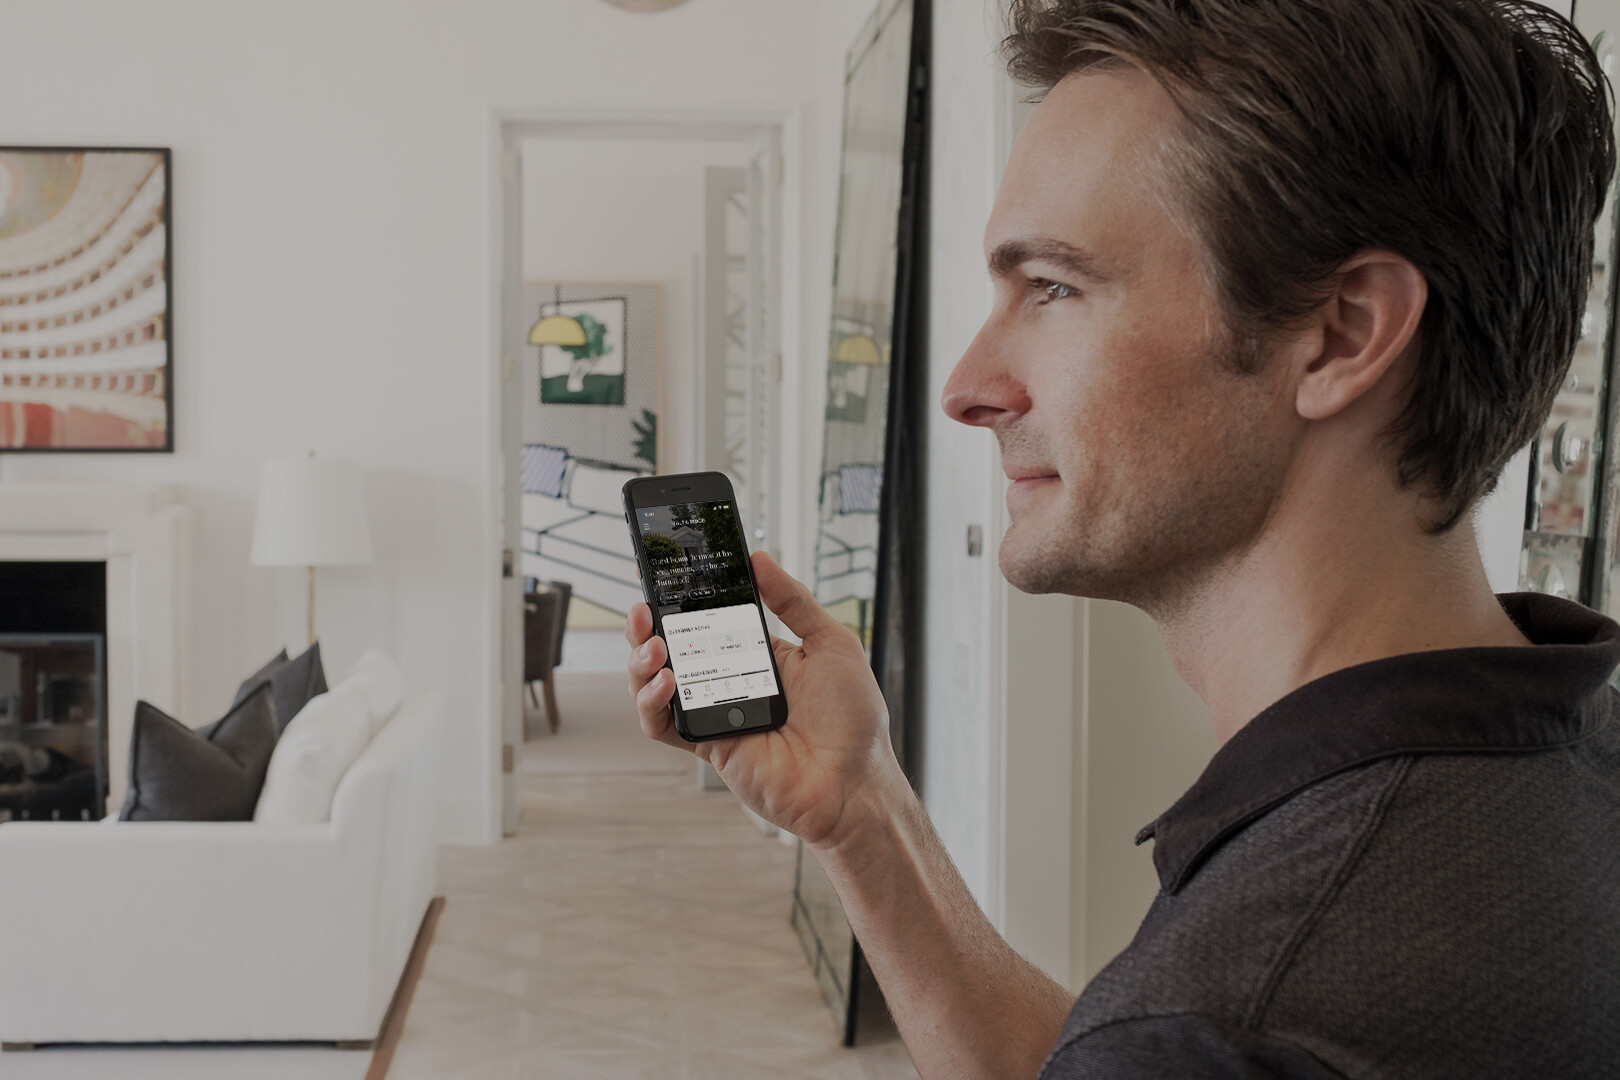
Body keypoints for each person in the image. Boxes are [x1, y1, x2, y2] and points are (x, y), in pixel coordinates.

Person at [628, 0, 1620, 1075]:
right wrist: (859, 809)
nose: (966, 389)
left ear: (1343, 334)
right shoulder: (1572, 755)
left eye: (1054, 287)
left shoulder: (1242, 1009)